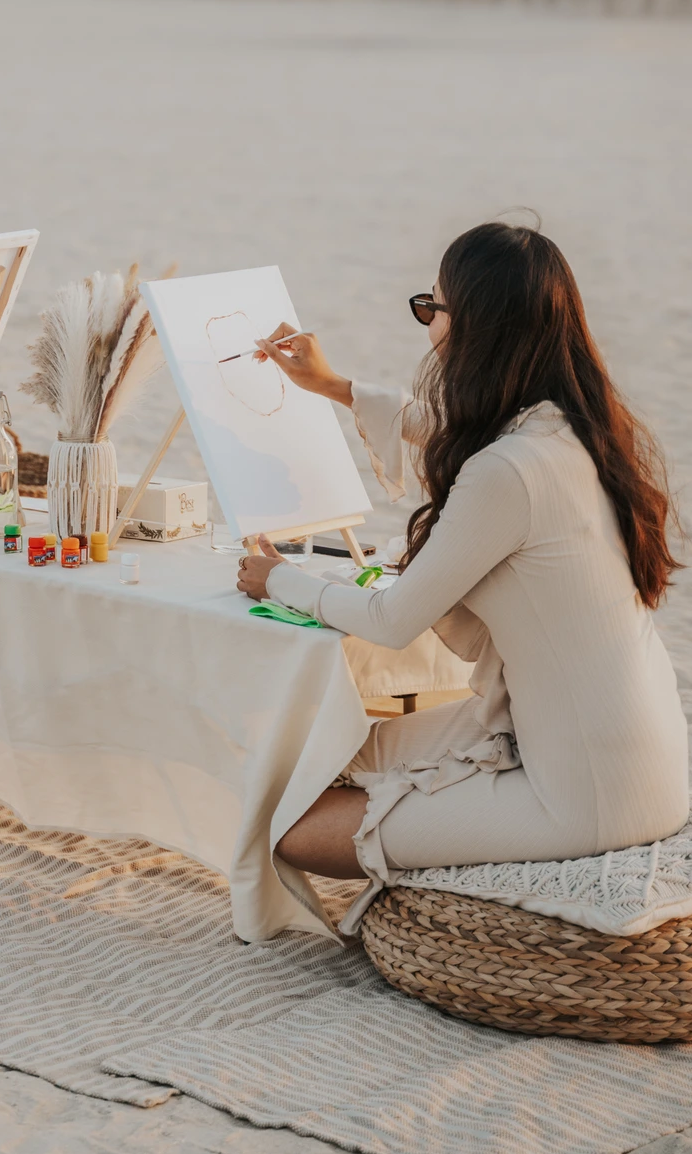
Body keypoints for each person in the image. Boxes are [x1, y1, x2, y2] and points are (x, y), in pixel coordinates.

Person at [237, 221, 687, 902]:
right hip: (630, 748)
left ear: (473, 325)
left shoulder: (508, 471)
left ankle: (479, 848)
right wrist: (333, 386)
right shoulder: (576, 430)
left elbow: (390, 618)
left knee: (293, 829)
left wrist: (280, 580)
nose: (427, 325)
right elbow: (457, 436)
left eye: (431, 308)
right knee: (312, 759)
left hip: (587, 790)